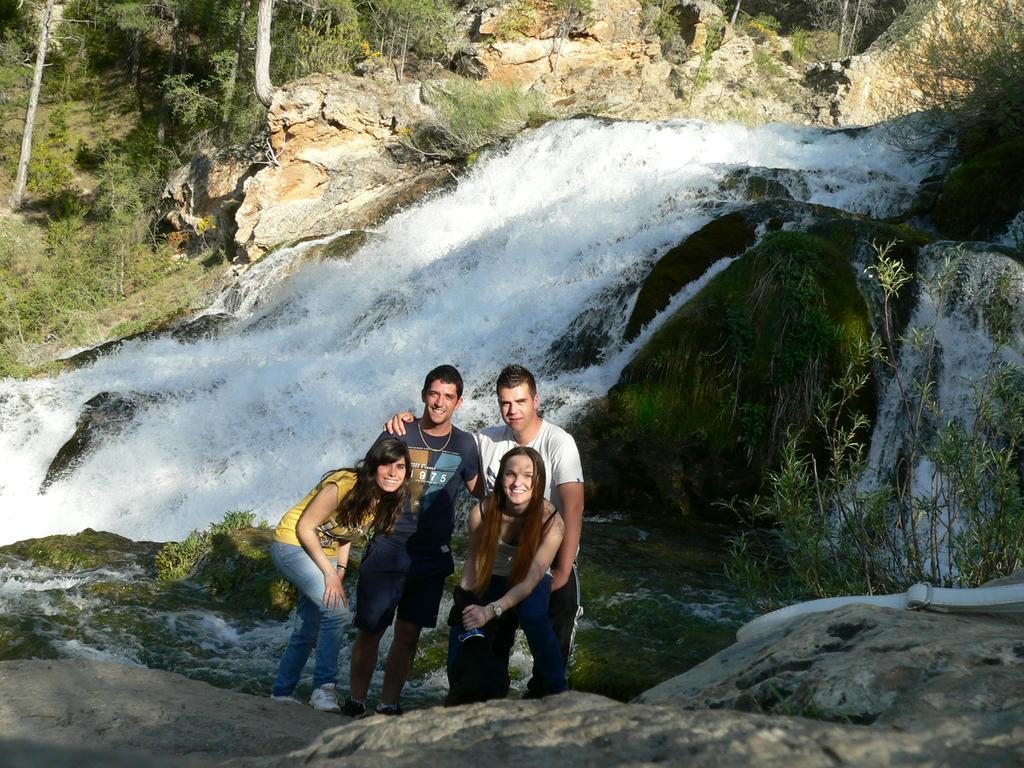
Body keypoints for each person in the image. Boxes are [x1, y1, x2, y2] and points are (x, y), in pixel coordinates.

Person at [387, 364, 584, 696]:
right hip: (496, 561)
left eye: (520, 401)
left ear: (536, 400)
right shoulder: (487, 440)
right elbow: (448, 442)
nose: (513, 410)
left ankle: (550, 697)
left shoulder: (558, 442)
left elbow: (574, 506)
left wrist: (563, 569)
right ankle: (477, 692)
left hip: (549, 556)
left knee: (546, 624)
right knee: (481, 633)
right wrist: (411, 422)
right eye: (505, 402)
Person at [344, 364, 482, 717]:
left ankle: (389, 705)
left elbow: (483, 492)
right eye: (434, 393)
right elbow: (365, 476)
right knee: (371, 631)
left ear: (459, 402)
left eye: (448, 396)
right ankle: (356, 701)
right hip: (388, 546)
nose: (439, 402)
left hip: (431, 556)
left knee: (408, 635)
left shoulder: (466, 445)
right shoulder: (399, 431)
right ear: (423, 395)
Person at [270, 438, 410, 712]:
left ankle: (281, 692)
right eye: (386, 464)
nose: (393, 472)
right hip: (293, 545)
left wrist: (341, 569)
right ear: (373, 465)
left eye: (401, 467)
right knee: (337, 612)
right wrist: (329, 573)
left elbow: (347, 533)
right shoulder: (344, 484)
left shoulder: (384, 498)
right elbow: (306, 527)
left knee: (307, 626)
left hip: (325, 551)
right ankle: (324, 688)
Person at [446, 446, 566, 705]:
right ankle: (462, 694)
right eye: (510, 474)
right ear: (501, 478)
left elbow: (533, 578)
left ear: (538, 480)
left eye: (527, 475)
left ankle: (557, 691)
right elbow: (474, 560)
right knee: (463, 624)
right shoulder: (482, 512)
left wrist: (492, 609)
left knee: (533, 616)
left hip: (528, 580)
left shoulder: (552, 521)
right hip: (491, 575)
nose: (518, 482)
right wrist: (465, 600)